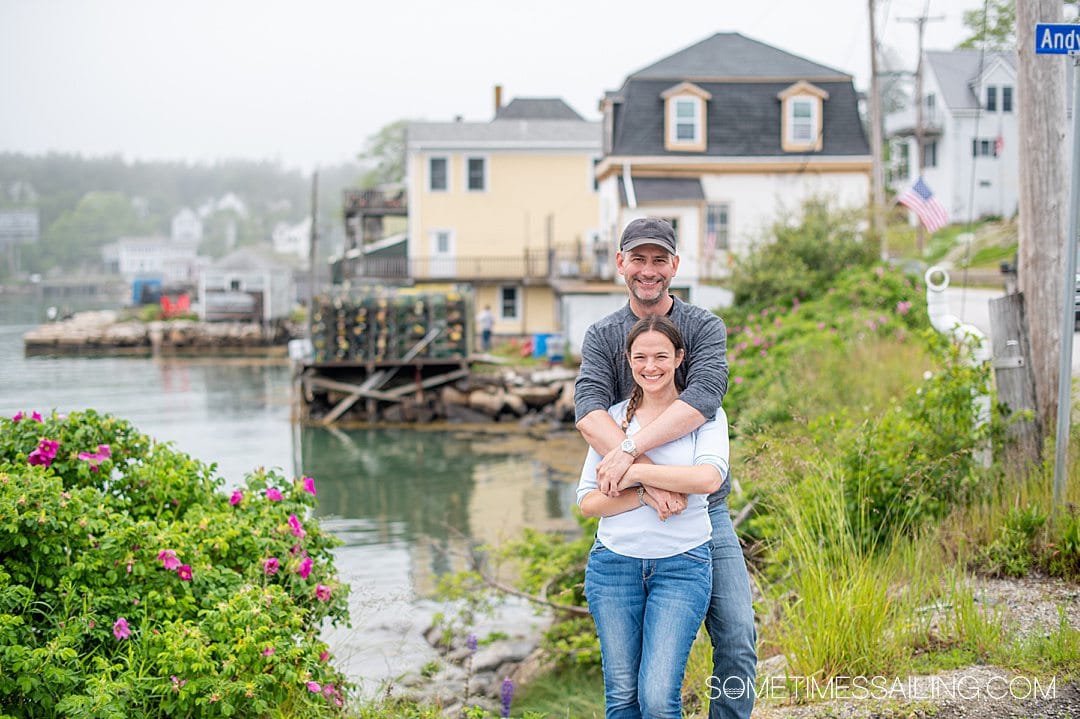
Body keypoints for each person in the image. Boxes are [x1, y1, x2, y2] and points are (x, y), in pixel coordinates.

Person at [574, 217, 757, 719]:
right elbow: (588, 410)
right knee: (629, 690)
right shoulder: (603, 335)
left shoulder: (704, 327)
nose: (648, 270)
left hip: (704, 516)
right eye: (638, 259)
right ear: (621, 264)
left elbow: (703, 400)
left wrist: (631, 455)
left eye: (659, 260)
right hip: (632, 518)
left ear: (675, 265)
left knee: (738, 638)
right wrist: (648, 482)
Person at [578, 315, 727, 719]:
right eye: (640, 357)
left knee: (659, 699)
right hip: (613, 567)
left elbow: (707, 478)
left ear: (680, 357)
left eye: (661, 355)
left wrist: (635, 468)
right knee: (622, 699)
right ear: (628, 360)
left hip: (682, 566)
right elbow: (589, 502)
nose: (651, 366)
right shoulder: (613, 416)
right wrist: (645, 494)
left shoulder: (706, 417)